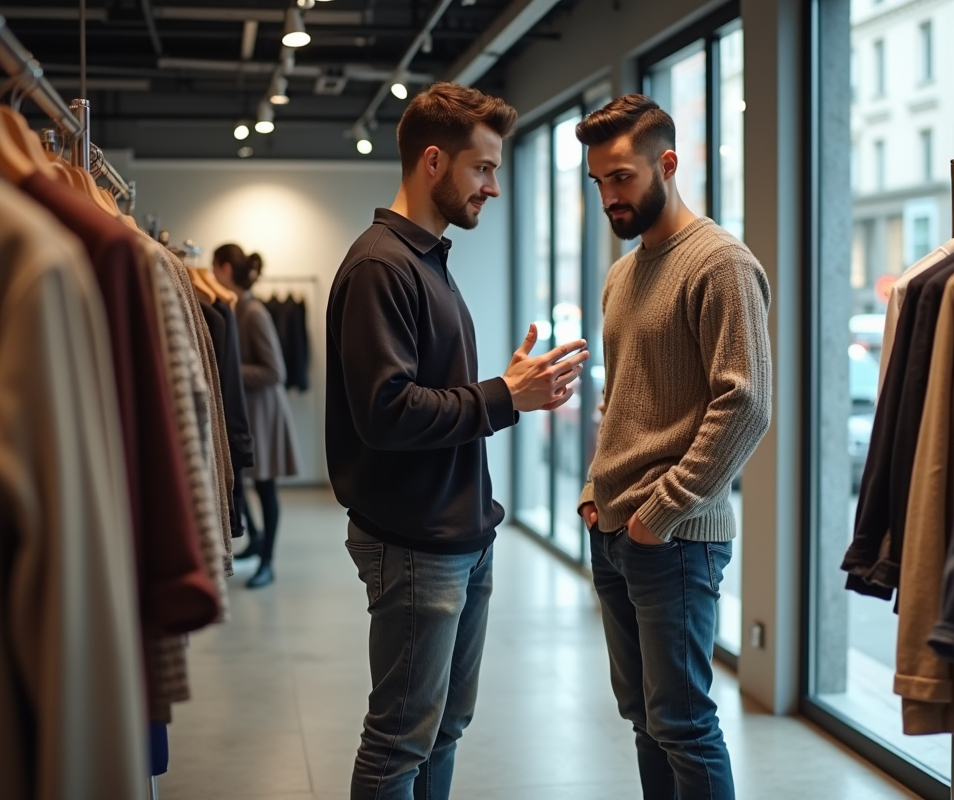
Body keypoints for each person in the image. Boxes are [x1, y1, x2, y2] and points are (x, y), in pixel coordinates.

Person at [326, 82, 589, 800]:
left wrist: (506, 389)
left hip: (460, 537)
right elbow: (385, 412)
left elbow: (430, 394)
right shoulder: (383, 264)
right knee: (400, 741)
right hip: (415, 543)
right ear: (434, 161)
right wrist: (503, 396)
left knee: (442, 728)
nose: (494, 188)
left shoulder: (427, 260)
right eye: (483, 169)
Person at [575, 94, 773, 800]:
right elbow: (621, 398)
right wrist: (596, 496)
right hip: (615, 530)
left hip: (675, 539)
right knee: (644, 719)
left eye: (621, 177)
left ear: (668, 163)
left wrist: (660, 515)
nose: (609, 195)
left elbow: (745, 405)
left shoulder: (720, 264)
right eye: (597, 181)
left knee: (684, 723)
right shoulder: (622, 275)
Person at [213, 244, 302, 589]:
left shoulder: (254, 313)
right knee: (244, 482)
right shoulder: (239, 308)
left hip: (264, 414)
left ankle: (268, 563)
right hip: (252, 411)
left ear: (223, 269)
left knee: (265, 489)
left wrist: (227, 370)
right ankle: (258, 544)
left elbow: (274, 371)